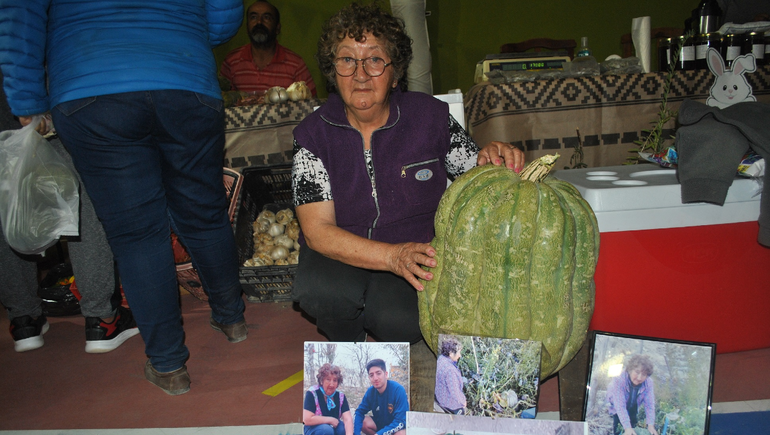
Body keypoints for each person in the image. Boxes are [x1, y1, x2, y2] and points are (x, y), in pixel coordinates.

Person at [0, 1, 248, 395]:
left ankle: (169, 366)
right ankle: (232, 318)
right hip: (184, 79)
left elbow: (20, 12)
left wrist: (27, 99)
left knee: (138, 236)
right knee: (203, 212)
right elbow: (223, 11)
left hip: (91, 83)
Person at [290, 2, 524, 343]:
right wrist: (390, 256)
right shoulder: (312, 135)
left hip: (414, 245)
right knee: (323, 293)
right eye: (346, 60)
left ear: (395, 71)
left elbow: (478, 181)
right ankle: (347, 343)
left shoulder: (430, 118)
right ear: (332, 69)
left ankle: (386, 327)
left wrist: (492, 157)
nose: (360, 74)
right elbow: (318, 232)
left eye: (374, 59)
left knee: (400, 321)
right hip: (342, 248)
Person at [0, 72, 139, 354]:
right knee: (82, 197)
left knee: (9, 205)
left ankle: (23, 320)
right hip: (42, 88)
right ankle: (102, 319)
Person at [220, 0, 317, 97]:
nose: (259, 22)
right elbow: (222, 103)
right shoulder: (231, 62)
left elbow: (311, 105)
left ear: (278, 28)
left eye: (267, 18)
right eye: (253, 17)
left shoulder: (296, 65)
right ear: (246, 27)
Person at [606, 354, 659, 435]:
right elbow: (620, 406)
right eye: (637, 372)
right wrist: (627, 428)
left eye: (644, 374)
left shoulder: (648, 383)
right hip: (617, 405)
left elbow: (649, 405)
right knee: (619, 428)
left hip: (634, 405)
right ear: (630, 369)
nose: (639, 377)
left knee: (633, 427)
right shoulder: (619, 378)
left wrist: (650, 425)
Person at [353, 359, 407, 435]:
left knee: (400, 434)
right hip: (380, 425)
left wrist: (379, 434)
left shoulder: (398, 390)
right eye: (371, 375)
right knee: (363, 422)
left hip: (396, 427)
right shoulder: (370, 392)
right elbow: (359, 412)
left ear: (386, 374)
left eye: (378, 373)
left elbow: (401, 421)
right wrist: (356, 433)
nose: (375, 378)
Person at [303, 363, 354, 435]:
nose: (331, 384)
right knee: (326, 430)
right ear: (321, 380)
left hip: (333, 427)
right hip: (314, 428)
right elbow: (307, 419)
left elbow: (347, 419)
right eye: (328, 379)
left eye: (335, 380)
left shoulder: (340, 396)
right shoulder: (312, 393)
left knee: (343, 429)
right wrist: (330, 420)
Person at [435, 336, 466, 414]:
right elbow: (455, 393)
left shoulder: (441, 359)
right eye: (458, 352)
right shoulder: (450, 371)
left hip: (440, 394)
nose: (460, 355)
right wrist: (463, 402)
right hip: (446, 402)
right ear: (451, 354)